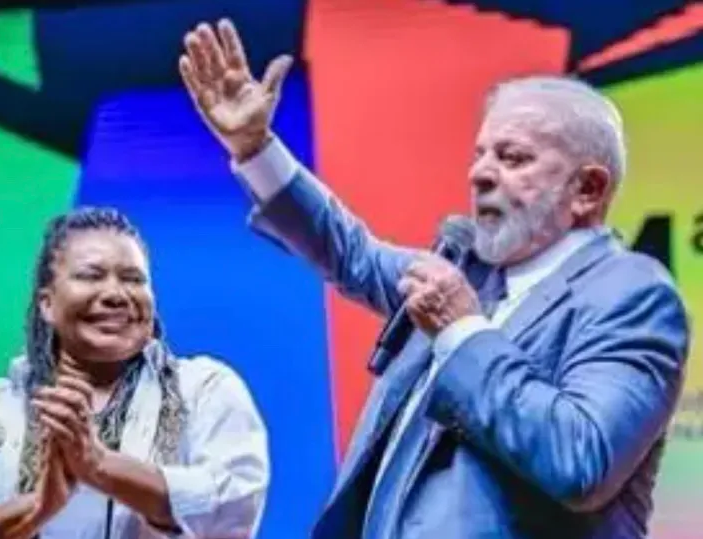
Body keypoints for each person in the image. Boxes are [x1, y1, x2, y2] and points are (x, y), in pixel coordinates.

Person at [178, 19, 689, 539]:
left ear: (587, 189)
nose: (480, 174)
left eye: (512, 158)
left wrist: (463, 332)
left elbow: (581, 460)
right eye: (480, 154)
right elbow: (352, 254)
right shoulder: (469, 274)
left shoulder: (631, 295)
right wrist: (255, 148)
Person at [0, 207, 269, 539]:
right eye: (91, 276)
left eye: (133, 279)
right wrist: (36, 508)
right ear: (47, 304)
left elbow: (235, 503)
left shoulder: (205, 390)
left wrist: (99, 464)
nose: (116, 294)